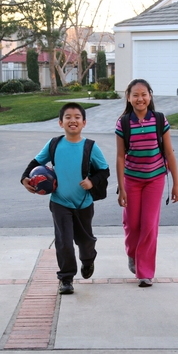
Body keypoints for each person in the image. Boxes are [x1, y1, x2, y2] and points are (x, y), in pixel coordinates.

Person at [21, 102, 110, 295]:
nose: (73, 120)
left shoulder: (90, 147)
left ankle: (88, 260)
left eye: (77, 117)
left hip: (83, 203)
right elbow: (36, 162)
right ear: (60, 122)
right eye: (68, 117)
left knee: (85, 242)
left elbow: (104, 171)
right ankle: (66, 278)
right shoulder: (54, 144)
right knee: (64, 242)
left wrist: (92, 182)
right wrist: (24, 179)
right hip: (60, 202)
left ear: (84, 123)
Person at [116, 79, 178, 287]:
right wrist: (121, 188)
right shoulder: (124, 122)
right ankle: (133, 253)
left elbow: (169, 153)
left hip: (155, 178)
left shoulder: (160, 120)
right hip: (132, 180)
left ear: (150, 96)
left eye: (143, 94)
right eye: (135, 95)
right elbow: (119, 157)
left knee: (149, 225)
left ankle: (145, 272)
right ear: (129, 98)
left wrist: (176, 184)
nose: (140, 98)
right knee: (132, 223)